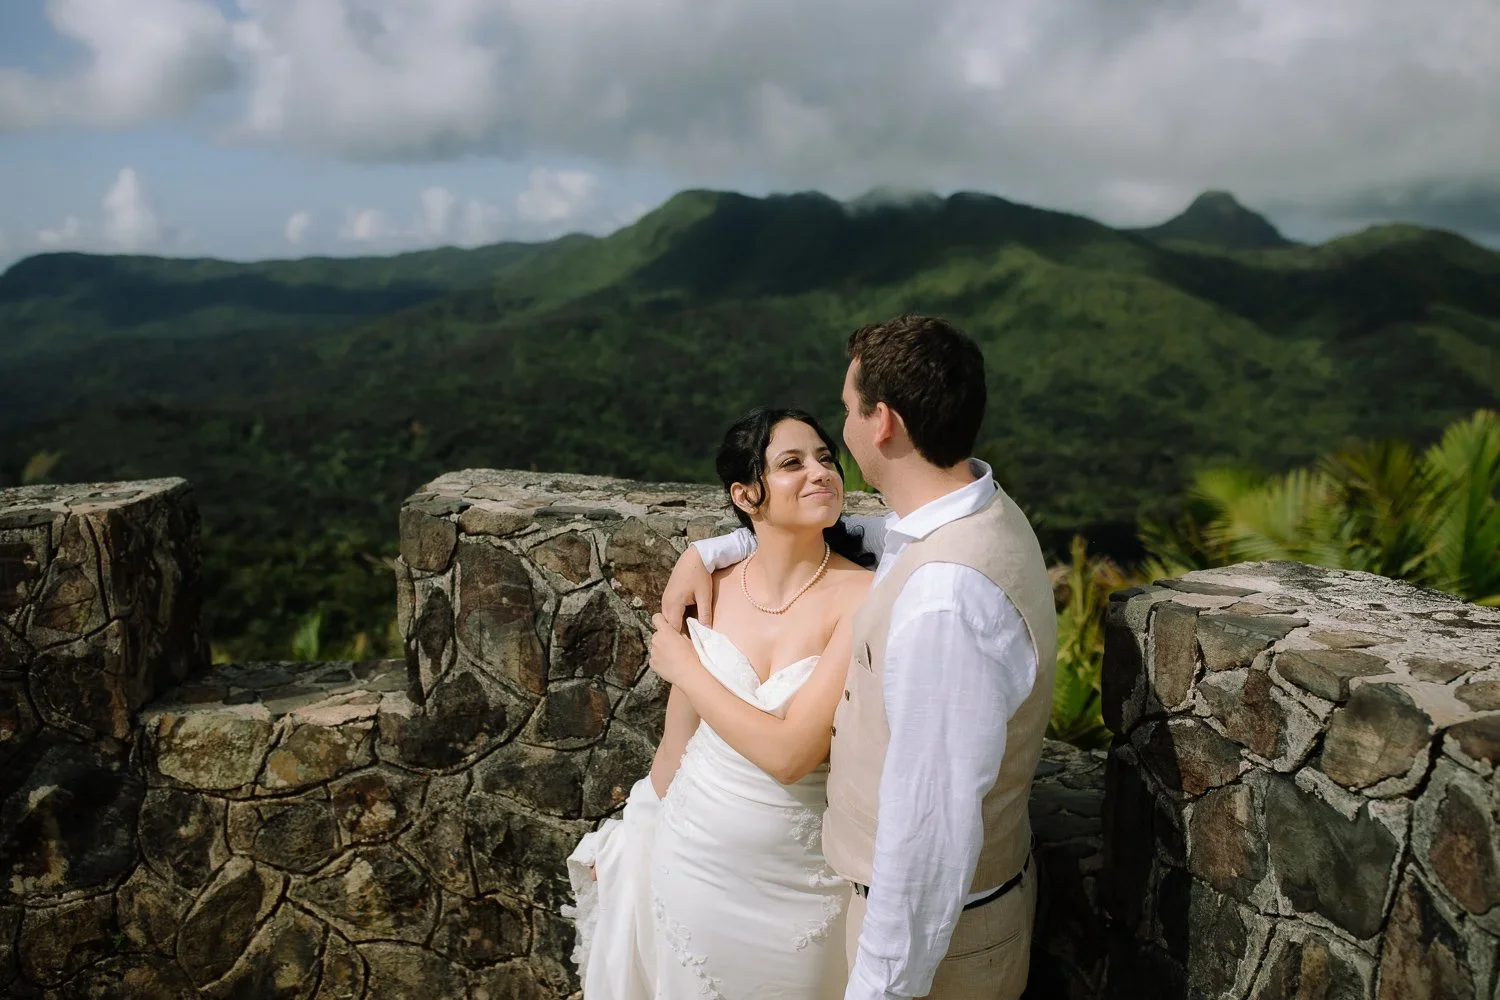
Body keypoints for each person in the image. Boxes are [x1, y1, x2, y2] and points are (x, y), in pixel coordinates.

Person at [655, 314, 1058, 1000]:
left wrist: (878, 989)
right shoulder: (967, 515)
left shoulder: (944, 601)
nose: (838, 436)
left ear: (883, 424)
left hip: (935, 947)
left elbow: (929, 833)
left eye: (847, 410)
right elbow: (860, 534)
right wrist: (712, 549)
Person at [565, 406, 875, 999]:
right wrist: (635, 835)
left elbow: (793, 756)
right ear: (746, 494)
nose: (821, 472)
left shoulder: (862, 597)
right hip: (692, 864)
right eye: (792, 463)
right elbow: (677, 744)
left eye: (825, 458)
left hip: (800, 884)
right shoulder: (714, 587)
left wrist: (684, 665)